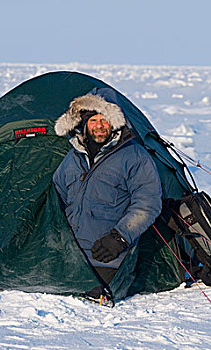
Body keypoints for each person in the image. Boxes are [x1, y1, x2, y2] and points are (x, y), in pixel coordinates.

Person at [53, 92, 162, 285]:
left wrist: (119, 238)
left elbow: (147, 205)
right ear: (84, 125)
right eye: (93, 120)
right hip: (69, 253)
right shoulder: (73, 157)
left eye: (104, 120)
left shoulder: (134, 156)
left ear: (113, 123)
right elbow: (57, 196)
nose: (99, 126)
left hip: (107, 254)